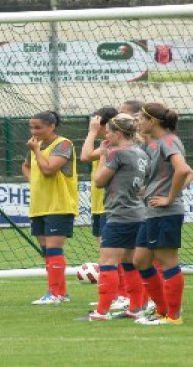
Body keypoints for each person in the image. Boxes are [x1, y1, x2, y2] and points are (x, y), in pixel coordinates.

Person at [86, 114, 148, 321]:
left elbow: (99, 181)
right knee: (129, 262)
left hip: (120, 213)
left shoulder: (117, 153)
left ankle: (101, 311)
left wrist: (103, 154)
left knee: (107, 261)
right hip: (138, 212)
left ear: (118, 133)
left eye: (109, 133)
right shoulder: (140, 152)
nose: (107, 136)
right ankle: (136, 307)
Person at [134, 103, 190, 325]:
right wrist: (147, 189)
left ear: (153, 121)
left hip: (165, 212)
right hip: (151, 212)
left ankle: (173, 316)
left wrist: (169, 197)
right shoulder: (155, 144)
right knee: (141, 260)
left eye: (141, 117)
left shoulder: (168, 141)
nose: (138, 121)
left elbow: (184, 170)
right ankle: (161, 310)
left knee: (167, 262)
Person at [22, 111, 78, 305]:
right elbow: (26, 166)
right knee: (47, 251)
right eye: (31, 127)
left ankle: (55, 294)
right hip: (39, 205)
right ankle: (60, 292)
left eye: (38, 127)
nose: (33, 131)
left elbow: (48, 169)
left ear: (51, 126)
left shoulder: (63, 144)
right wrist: (34, 181)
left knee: (54, 249)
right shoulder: (36, 146)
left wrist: (36, 151)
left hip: (59, 205)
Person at [80, 106, 131, 310]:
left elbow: (84, 156)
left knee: (113, 254)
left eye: (96, 121)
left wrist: (92, 132)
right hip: (99, 204)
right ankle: (117, 294)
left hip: (111, 205)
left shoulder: (113, 145)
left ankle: (122, 294)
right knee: (108, 252)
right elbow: (87, 155)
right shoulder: (106, 143)